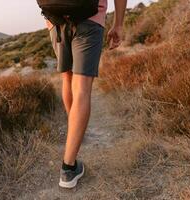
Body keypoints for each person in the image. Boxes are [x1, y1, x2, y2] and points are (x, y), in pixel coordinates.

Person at [46, 0, 127, 188]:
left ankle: (74, 131)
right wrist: (118, 24)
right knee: (81, 87)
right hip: (90, 16)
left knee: (67, 78)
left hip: (55, 19)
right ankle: (68, 168)